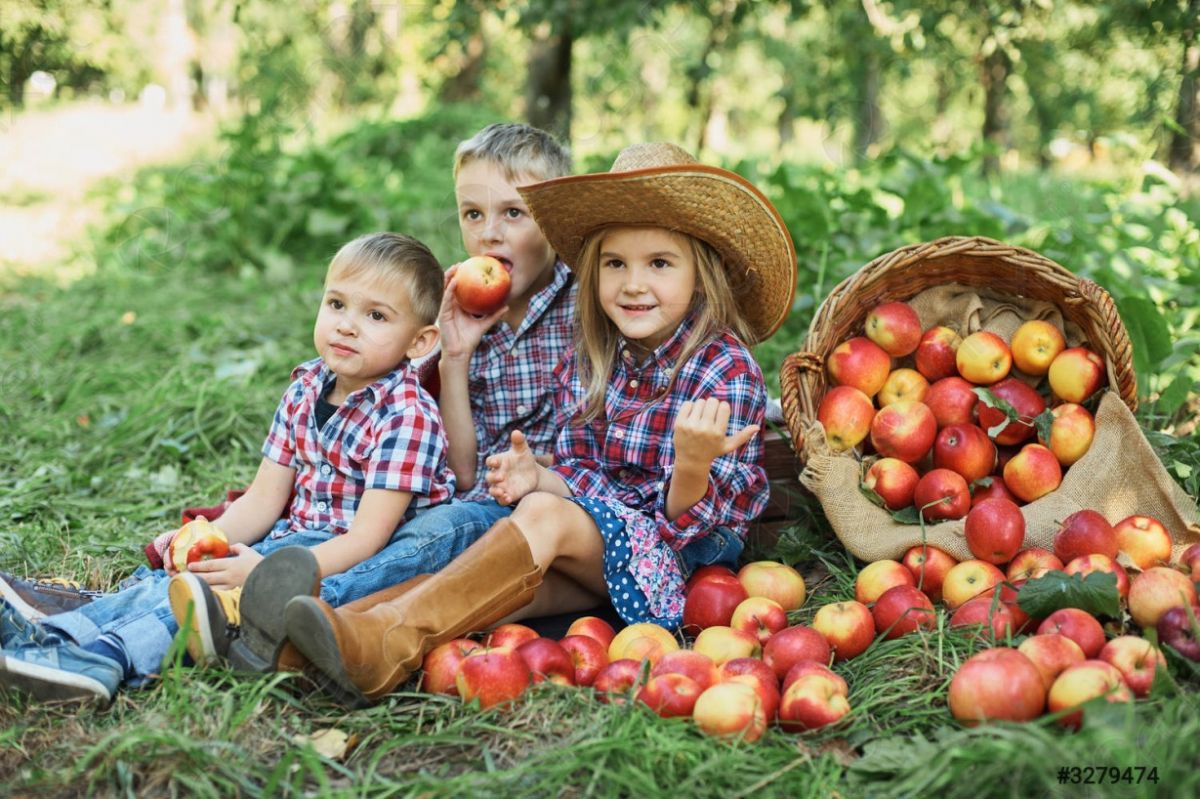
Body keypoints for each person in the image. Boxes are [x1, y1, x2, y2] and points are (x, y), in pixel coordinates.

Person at [251, 142, 798, 707]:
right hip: (603, 549)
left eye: (659, 263)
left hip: (678, 563)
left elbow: (686, 523)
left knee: (536, 521)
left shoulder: (724, 369)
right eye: (615, 263)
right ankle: (312, 645)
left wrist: (691, 463)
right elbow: (586, 473)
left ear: (702, 274)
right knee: (476, 589)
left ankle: (346, 628)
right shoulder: (595, 354)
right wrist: (539, 476)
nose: (633, 283)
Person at [0, 232, 453, 703]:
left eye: (375, 316)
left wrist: (269, 574)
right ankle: (59, 634)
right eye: (337, 304)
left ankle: (107, 657)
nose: (347, 326)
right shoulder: (305, 387)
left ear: (420, 341)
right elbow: (263, 498)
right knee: (182, 579)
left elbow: (367, 539)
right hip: (291, 539)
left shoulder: (406, 414)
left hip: (348, 563)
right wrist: (211, 539)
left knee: (210, 602)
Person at [216, 121, 577, 673]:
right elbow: (461, 472)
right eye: (472, 214)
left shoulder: (584, 310)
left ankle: (288, 612)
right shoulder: (459, 305)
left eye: (513, 213)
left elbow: (595, 448)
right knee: (412, 535)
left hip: (548, 508)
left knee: (428, 540)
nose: (489, 235)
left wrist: (538, 472)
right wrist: (455, 359)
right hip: (470, 500)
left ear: (553, 219)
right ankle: (295, 619)